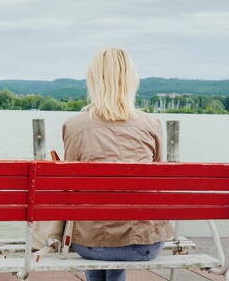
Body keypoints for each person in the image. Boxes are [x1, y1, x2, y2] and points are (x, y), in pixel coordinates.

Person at [63, 48, 174, 281]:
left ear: (93, 80)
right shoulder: (151, 124)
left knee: (97, 234)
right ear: (132, 81)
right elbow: (157, 181)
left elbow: (70, 187)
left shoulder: (74, 126)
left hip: (90, 243)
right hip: (144, 244)